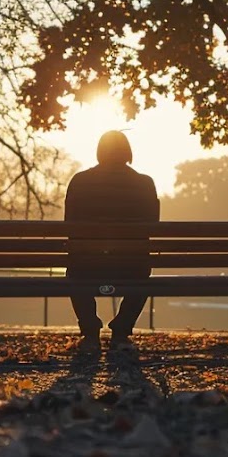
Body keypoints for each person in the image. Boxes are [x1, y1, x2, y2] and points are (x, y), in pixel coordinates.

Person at [64, 130, 159, 354]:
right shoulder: (144, 183)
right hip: (131, 267)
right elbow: (153, 224)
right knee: (143, 275)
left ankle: (90, 333)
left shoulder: (80, 181)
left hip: (87, 266)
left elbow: (69, 224)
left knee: (74, 274)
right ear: (127, 152)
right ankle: (121, 332)